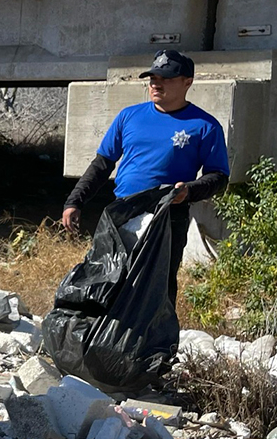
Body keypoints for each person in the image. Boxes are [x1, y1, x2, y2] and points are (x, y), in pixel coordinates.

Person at [62, 50, 229, 306]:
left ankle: (153, 344)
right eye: (152, 77)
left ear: (188, 82)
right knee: (108, 279)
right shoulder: (129, 116)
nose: (156, 83)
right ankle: (108, 340)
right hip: (122, 212)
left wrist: (189, 191)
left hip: (168, 217)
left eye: (166, 78)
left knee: (156, 288)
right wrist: (75, 201)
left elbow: (218, 177)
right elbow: (102, 164)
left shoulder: (205, 126)